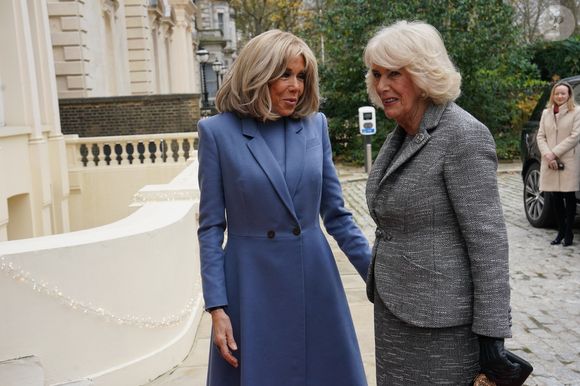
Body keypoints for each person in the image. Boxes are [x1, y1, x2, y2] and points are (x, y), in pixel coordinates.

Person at [197, 29, 371, 386]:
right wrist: (217, 307)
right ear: (259, 74)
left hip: (313, 277)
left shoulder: (315, 126)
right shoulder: (217, 132)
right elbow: (211, 226)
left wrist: (378, 277)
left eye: (302, 76)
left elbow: (336, 214)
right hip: (251, 284)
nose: (297, 86)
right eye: (285, 75)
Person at [363, 21, 522, 385]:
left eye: (394, 74)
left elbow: (488, 242)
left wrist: (492, 335)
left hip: (442, 326)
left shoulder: (463, 135)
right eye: (376, 74)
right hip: (394, 314)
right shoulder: (402, 134)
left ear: (422, 74)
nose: (382, 85)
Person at [536, 81, 580, 247]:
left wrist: (554, 153)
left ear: (569, 95)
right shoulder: (546, 113)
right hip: (549, 160)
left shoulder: (576, 112)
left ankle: (568, 232)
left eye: (563, 93)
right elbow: (540, 136)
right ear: (553, 95)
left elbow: (575, 137)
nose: (560, 96)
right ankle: (560, 231)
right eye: (557, 93)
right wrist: (548, 155)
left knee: (569, 196)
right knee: (555, 197)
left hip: (568, 159)